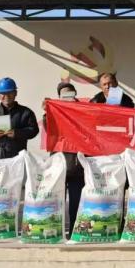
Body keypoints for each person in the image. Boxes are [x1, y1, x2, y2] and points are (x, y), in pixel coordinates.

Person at [0, 77, 40, 160]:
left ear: (15, 93)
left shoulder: (26, 112)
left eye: (10, 92)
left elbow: (34, 130)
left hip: (16, 159)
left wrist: (17, 133)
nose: (6, 96)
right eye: (3, 93)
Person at [50, 82, 84, 237]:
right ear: (59, 97)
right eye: (64, 94)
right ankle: (57, 232)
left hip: (77, 166)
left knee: (76, 202)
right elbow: (48, 128)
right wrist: (48, 111)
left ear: (75, 93)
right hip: (59, 165)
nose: (67, 97)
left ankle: (73, 231)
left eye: (70, 93)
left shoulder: (83, 110)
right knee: (57, 201)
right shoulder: (54, 110)